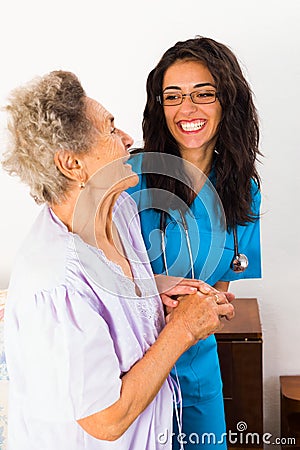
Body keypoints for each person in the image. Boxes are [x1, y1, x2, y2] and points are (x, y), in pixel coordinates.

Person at [1, 70, 235, 450]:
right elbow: (106, 420)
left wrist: (151, 287)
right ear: (72, 165)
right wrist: (183, 329)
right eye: (110, 129)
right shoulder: (57, 283)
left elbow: (110, 295)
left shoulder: (119, 211)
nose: (127, 139)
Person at [127, 36, 262, 449]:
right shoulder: (129, 178)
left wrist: (213, 304)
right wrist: (158, 288)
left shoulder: (243, 189)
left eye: (204, 94)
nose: (187, 109)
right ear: (160, 106)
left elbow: (220, 289)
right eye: (173, 96)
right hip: (133, 364)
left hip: (199, 364)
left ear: (228, 102)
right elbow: (94, 277)